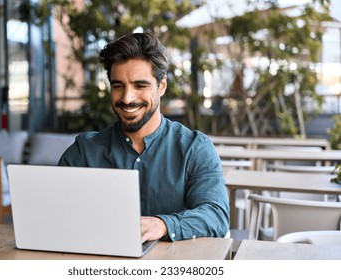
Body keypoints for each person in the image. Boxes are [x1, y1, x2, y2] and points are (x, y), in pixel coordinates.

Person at [58, 32, 229, 242]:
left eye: (140, 85)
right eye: (118, 86)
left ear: (162, 86)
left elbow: (216, 216)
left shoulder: (194, 148)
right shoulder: (83, 152)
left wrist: (164, 225)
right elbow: (58, 215)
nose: (127, 98)